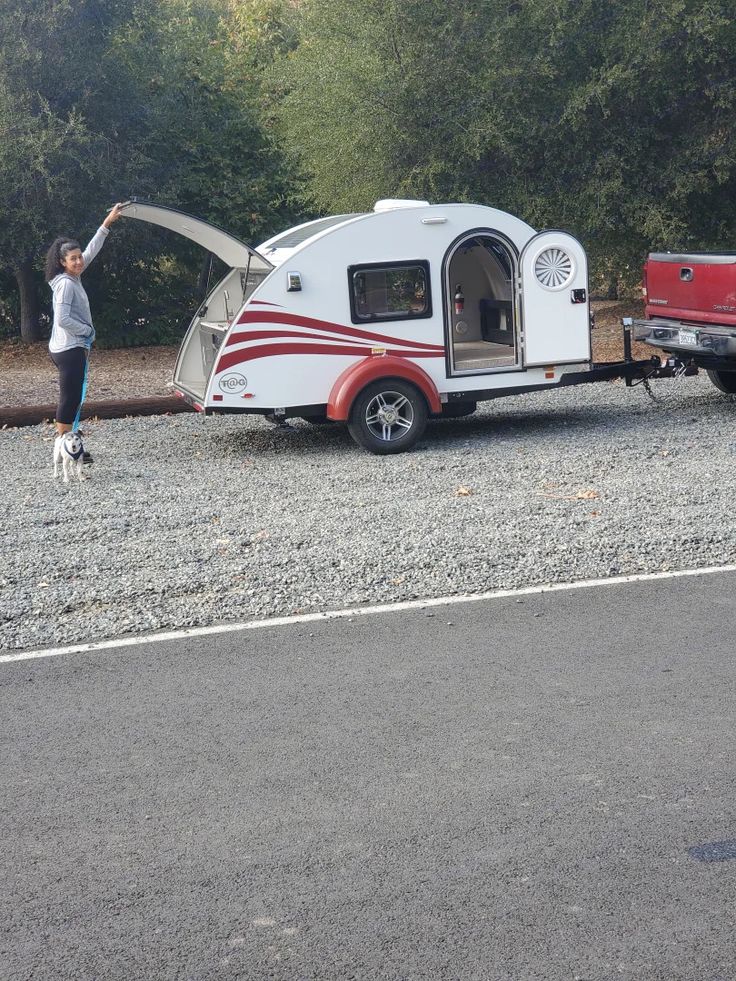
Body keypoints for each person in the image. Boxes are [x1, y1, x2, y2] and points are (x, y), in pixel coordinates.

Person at [45, 203, 125, 457]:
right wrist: (87, 332)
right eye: (73, 258)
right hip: (69, 349)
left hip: (71, 346)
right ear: (62, 262)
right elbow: (63, 319)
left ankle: (70, 442)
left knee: (74, 398)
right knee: (70, 399)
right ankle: (66, 447)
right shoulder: (66, 285)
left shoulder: (73, 276)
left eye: (79, 257)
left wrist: (107, 223)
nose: (79, 261)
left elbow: (92, 250)